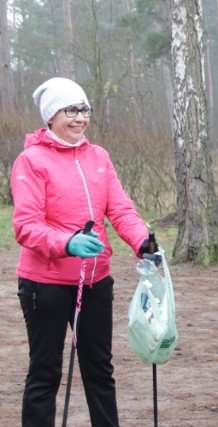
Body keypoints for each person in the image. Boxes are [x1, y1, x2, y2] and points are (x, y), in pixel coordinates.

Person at [11, 77, 158, 427]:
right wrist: (66, 243)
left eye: (84, 109)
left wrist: (144, 243)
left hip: (95, 282)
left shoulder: (99, 157)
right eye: (71, 110)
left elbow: (121, 210)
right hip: (44, 285)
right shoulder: (31, 160)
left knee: (100, 370)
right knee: (46, 371)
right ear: (51, 115)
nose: (80, 118)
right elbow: (25, 225)